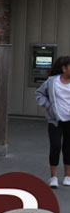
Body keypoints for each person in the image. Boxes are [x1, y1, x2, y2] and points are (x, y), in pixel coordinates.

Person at [35, 55, 70, 188]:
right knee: (55, 147)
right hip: (55, 120)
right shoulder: (52, 82)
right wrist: (48, 105)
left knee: (68, 148)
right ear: (64, 69)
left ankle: (67, 176)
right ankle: (53, 177)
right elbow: (39, 94)